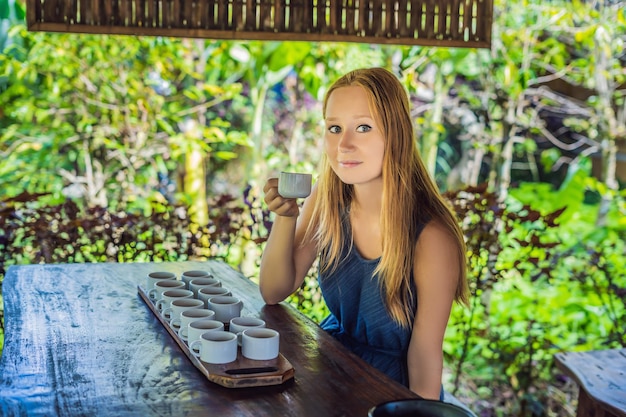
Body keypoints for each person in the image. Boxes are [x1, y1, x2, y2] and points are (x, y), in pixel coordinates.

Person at [259, 67, 469, 400]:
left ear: (395, 133)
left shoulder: (431, 238)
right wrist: (285, 217)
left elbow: (425, 357)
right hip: (328, 366)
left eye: (363, 127)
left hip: (388, 390)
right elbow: (274, 290)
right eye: (334, 128)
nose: (344, 144)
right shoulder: (326, 198)